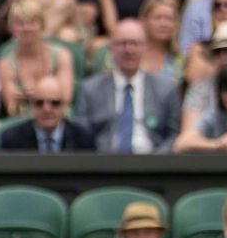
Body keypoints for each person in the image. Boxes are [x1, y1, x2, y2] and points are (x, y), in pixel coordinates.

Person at [76, 18, 181, 153]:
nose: (129, 50)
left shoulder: (165, 89)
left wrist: (156, 164)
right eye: (122, 43)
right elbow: (81, 135)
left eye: (135, 44)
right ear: (112, 48)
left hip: (153, 167)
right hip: (103, 167)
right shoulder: (90, 89)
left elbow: (174, 136)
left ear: (145, 47)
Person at [0, 0, 75, 118]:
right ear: (12, 28)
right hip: (23, 120)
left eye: (32, 22)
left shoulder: (61, 55)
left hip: (59, 116)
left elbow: (65, 99)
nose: (26, 28)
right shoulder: (6, 63)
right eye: (20, 23)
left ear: (42, 25)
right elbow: (11, 108)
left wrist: (36, 96)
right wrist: (18, 102)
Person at [0, 75, 96, 151]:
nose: (47, 109)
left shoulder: (83, 139)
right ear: (32, 105)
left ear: (64, 107)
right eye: (39, 103)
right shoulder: (13, 139)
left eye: (55, 103)